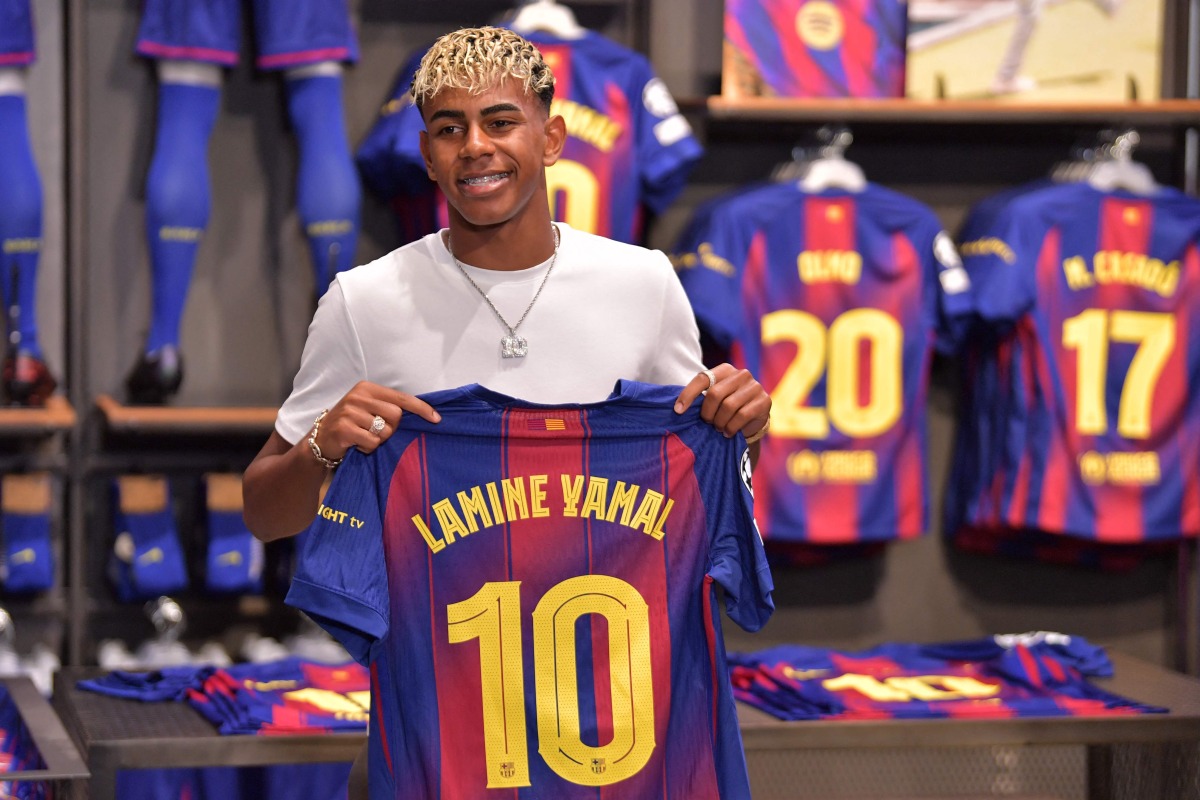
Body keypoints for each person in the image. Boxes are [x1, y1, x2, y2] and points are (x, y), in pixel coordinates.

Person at [242, 24, 771, 797]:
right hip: (445, 748)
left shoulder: (643, 285)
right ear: (427, 156)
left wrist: (746, 424)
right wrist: (321, 449)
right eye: (450, 130)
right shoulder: (366, 301)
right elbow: (262, 511)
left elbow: (714, 481)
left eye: (499, 122)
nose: (475, 148)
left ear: (552, 136)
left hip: (618, 749)